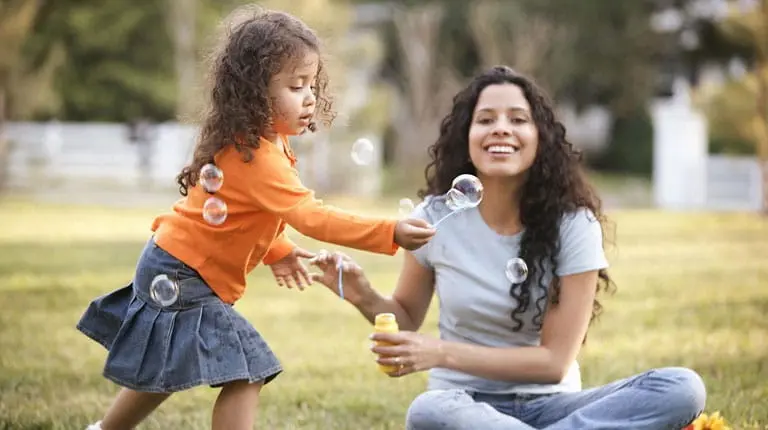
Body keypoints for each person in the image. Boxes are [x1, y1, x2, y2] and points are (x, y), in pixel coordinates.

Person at [77, 6, 434, 430]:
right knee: (248, 370)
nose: (309, 98)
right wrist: (389, 231)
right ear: (254, 91)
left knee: (165, 365)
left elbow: (243, 215)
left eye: (311, 85)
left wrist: (277, 250)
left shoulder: (257, 143)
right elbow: (310, 216)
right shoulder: (258, 156)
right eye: (295, 86)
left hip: (174, 264)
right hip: (183, 273)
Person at [309, 66, 706, 430]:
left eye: (517, 120)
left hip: (554, 404)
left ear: (541, 138)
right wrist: (362, 294)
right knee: (428, 412)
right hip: (463, 405)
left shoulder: (573, 225)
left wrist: (442, 352)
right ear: (466, 138)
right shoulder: (435, 217)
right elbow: (406, 318)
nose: (501, 128)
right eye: (485, 120)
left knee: (681, 387)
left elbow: (554, 363)